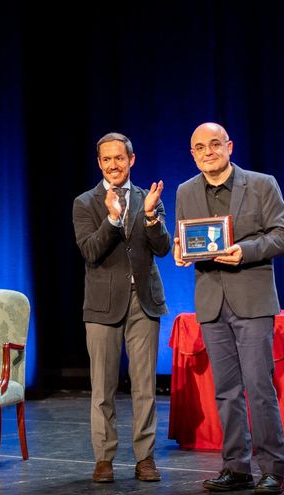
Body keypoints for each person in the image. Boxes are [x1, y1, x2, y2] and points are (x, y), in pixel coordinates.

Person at [174, 122, 284, 494]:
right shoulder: (185, 190)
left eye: (215, 144)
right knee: (225, 390)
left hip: (252, 301)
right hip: (211, 303)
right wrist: (180, 252)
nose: (208, 152)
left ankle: (272, 468)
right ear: (193, 154)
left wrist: (247, 250)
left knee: (259, 387)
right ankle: (236, 467)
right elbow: (186, 238)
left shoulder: (261, 184)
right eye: (200, 147)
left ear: (230, 146)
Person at [72, 132, 170, 483]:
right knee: (102, 388)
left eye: (120, 158)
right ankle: (104, 458)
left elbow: (163, 249)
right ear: (99, 163)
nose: (114, 164)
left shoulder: (149, 198)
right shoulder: (85, 203)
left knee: (144, 386)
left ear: (132, 160)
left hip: (144, 302)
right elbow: (90, 251)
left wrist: (151, 219)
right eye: (107, 159)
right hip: (102, 305)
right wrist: (112, 221)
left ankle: (145, 458)